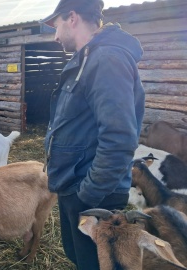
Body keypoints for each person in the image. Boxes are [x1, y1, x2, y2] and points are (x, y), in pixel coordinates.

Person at [40, 0, 145, 269]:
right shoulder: (87, 59)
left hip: (92, 194)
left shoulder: (107, 59)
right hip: (73, 185)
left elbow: (119, 138)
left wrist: (87, 194)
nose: (54, 35)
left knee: (94, 265)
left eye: (56, 25)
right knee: (79, 258)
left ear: (72, 17)